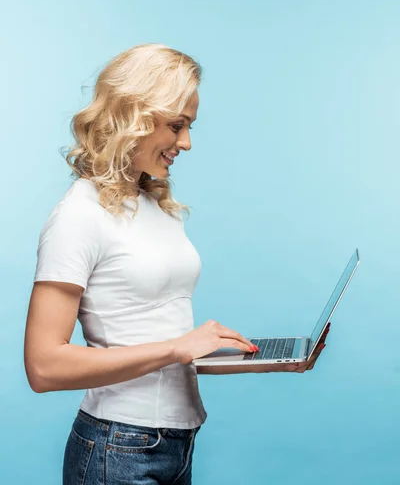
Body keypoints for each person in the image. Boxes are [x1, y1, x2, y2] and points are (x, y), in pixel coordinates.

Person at [24, 43, 328, 485]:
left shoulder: (153, 205)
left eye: (189, 126)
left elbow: (147, 333)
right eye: (176, 125)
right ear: (132, 117)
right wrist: (176, 348)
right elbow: (43, 366)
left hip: (174, 442)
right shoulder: (78, 214)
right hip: (119, 447)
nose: (185, 142)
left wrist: (246, 357)